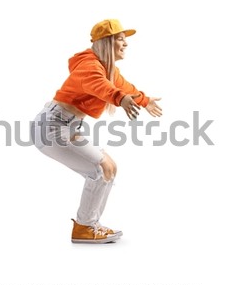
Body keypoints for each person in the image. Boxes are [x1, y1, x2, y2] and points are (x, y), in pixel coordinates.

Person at [31, 19, 162, 244]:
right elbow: (102, 87)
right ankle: (85, 228)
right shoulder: (89, 67)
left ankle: (90, 225)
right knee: (101, 170)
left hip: (66, 127)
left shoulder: (106, 69)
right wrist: (120, 99)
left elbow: (124, 87)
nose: (125, 44)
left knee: (109, 168)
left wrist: (145, 100)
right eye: (120, 39)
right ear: (106, 43)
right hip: (51, 128)